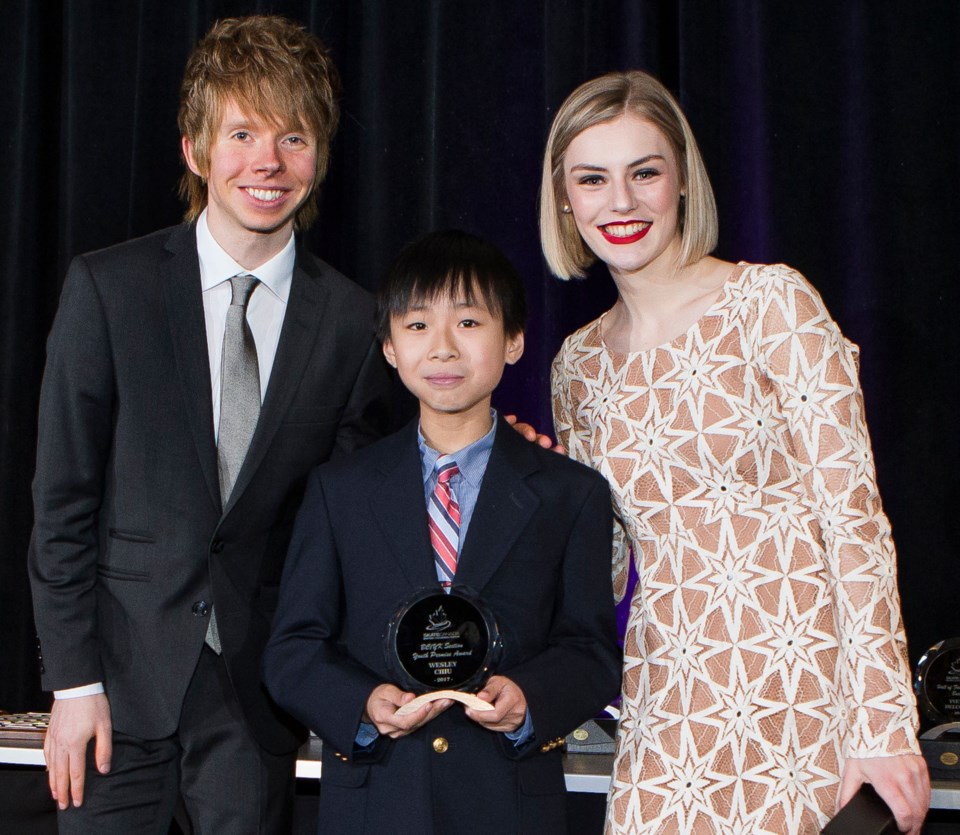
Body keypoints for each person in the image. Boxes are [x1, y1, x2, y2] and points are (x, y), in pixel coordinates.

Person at [541, 71, 929, 834]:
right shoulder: (575, 364)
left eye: (643, 173)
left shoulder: (772, 304)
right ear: (565, 199)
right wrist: (533, 487)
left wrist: (882, 721)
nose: (620, 203)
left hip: (804, 696)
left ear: (681, 181)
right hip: (669, 702)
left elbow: (854, 517)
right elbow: (608, 564)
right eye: (593, 179)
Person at [28, 15, 390, 833]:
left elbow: (350, 525)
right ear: (195, 150)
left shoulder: (354, 322)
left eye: (293, 137)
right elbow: (62, 503)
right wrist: (73, 683)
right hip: (114, 697)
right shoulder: (107, 291)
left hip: (259, 701)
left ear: (320, 156)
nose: (268, 162)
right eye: (242, 133)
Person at [263, 229, 622, 834]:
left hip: (507, 803)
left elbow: (591, 650)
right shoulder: (339, 489)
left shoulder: (570, 492)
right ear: (388, 347)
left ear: (513, 340)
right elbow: (294, 647)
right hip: (379, 797)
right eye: (418, 325)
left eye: (471, 323)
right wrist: (361, 705)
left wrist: (531, 699)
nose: (444, 349)